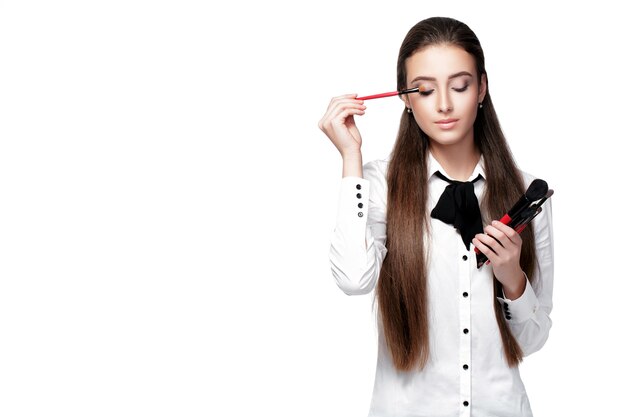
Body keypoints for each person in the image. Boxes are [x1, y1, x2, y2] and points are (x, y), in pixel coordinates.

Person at [318, 17, 554, 417]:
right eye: (425, 90)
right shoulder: (379, 184)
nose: (444, 104)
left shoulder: (525, 192)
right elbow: (354, 279)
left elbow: (532, 340)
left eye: (460, 86)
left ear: (481, 88)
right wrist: (351, 159)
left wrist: (512, 276)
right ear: (406, 98)